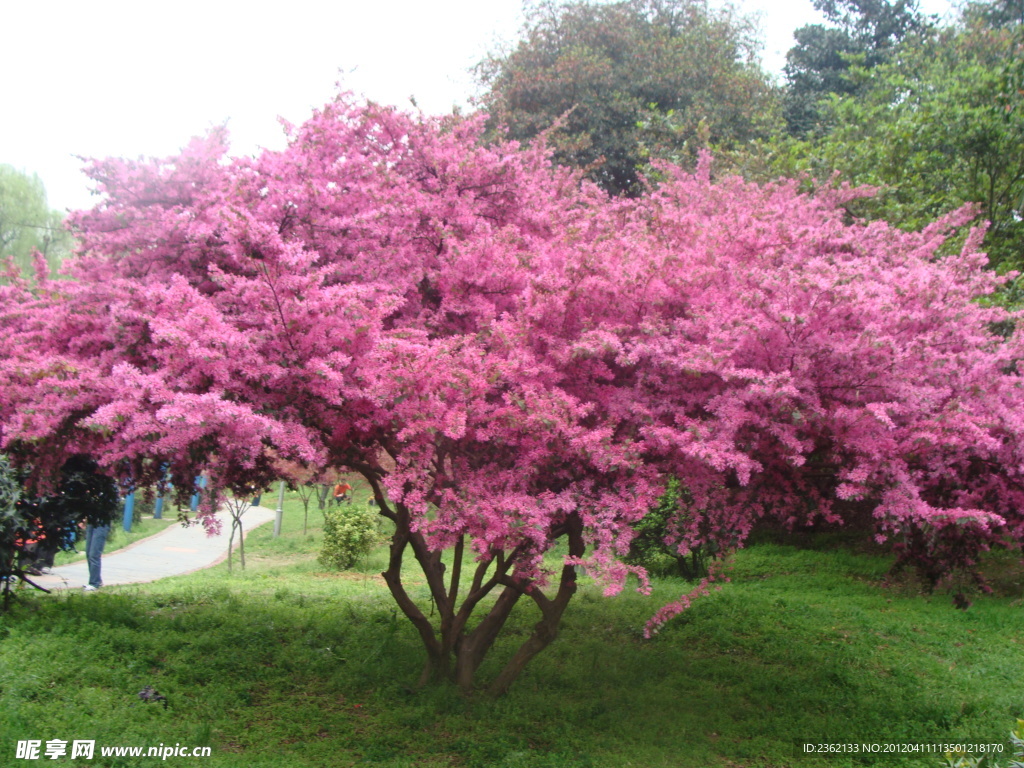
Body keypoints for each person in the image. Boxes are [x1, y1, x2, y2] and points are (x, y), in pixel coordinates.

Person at [84, 520, 110, 591]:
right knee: (88, 553)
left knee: (94, 554)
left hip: (101, 523)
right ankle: (97, 580)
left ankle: (94, 583)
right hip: (91, 522)